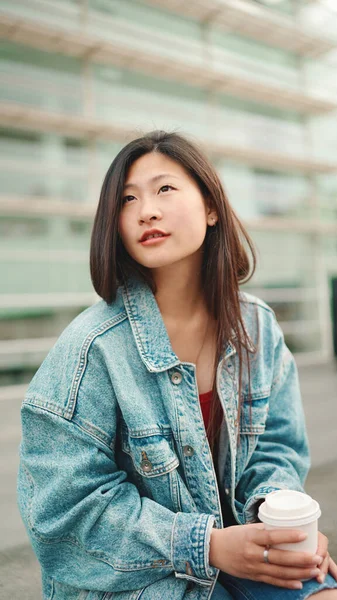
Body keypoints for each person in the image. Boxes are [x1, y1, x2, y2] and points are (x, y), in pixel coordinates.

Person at [17, 130, 337, 600]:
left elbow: (276, 446)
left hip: (238, 546)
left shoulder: (257, 327)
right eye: (127, 199)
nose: (146, 210)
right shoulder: (91, 348)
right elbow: (67, 510)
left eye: (164, 188)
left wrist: (277, 520)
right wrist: (207, 545)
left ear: (211, 207)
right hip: (136, 576)